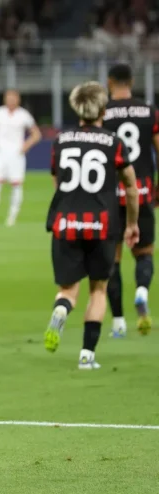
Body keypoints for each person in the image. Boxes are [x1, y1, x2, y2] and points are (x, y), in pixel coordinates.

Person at [43, 81, 139, 370]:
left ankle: (61, 310)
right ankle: (87, 356)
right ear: (103, 110)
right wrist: (132, 223)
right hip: (102, 225)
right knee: (98, 290)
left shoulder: (61, 141)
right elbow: (131, 187)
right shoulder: (113, 142)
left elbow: (57, 182)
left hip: (66, 224)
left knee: (68, 290)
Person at [102, 63, 159, 337]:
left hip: (110, 195)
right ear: (132, 81)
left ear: (109, 82)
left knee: (112, 259)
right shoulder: (149, 111)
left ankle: (118, 323)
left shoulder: (103, 112)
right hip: (142, 190)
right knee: (144, 252)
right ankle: (142, 291)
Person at [0, 89, 42, 226]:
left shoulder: (23, 115)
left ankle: (11, 218)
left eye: (13, 98)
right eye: (8, 97)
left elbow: (36, 134)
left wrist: (26, 145)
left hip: (16, 155)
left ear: (18, 99)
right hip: (0, 153)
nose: (11, 100)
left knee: (16, 185)